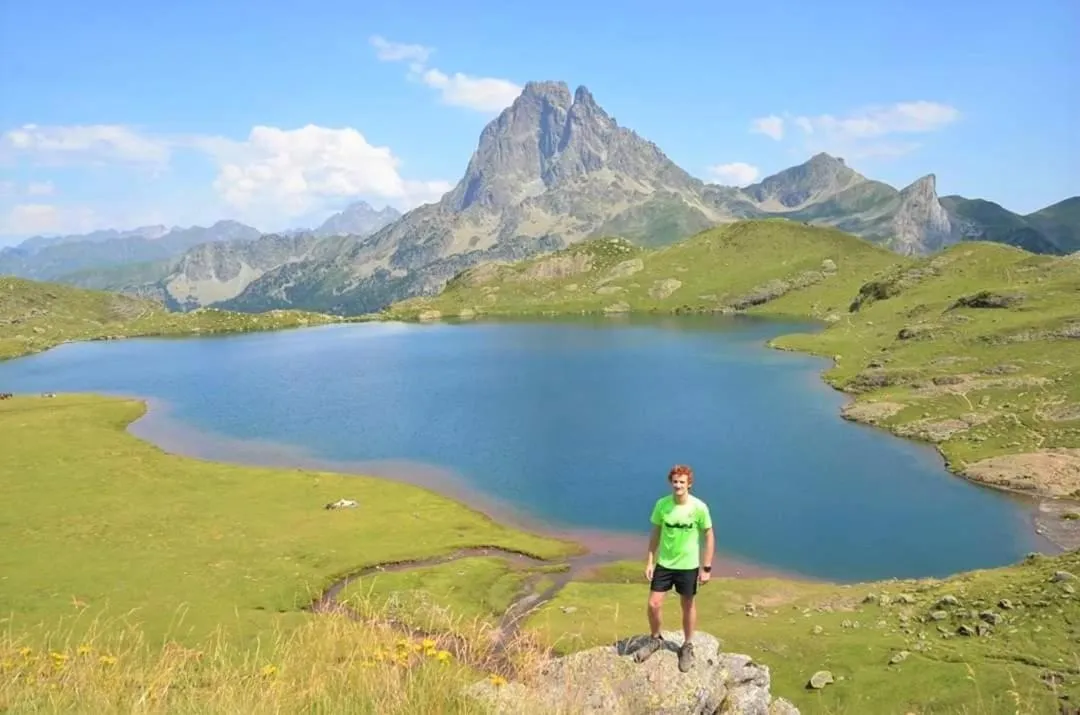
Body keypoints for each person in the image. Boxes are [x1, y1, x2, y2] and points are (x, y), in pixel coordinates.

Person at [632, 463, 715, 672]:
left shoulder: (699, 507)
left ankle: (687, 645)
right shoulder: (662, 505)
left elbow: (709, 535)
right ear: (671, 483)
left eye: (682, 482)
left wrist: (706, 568)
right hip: (665, 564)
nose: (678, 485)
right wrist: (650, 561)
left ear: (689, 484)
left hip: (688, 565)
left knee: (687, 605)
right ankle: (655, 639)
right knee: (653, 604)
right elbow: (655, 533)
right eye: (675, 482)